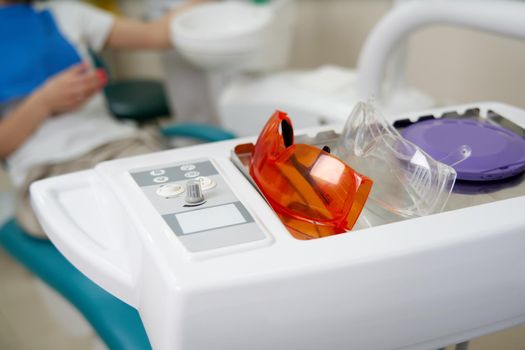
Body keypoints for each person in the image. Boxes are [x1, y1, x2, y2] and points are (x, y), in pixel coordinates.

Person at [0, 0, 206, 238]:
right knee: (109, 222)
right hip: (45, 170)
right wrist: (44, 102)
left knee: (177, 203)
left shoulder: (66, 13)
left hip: (116, 147)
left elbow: (157, 34)